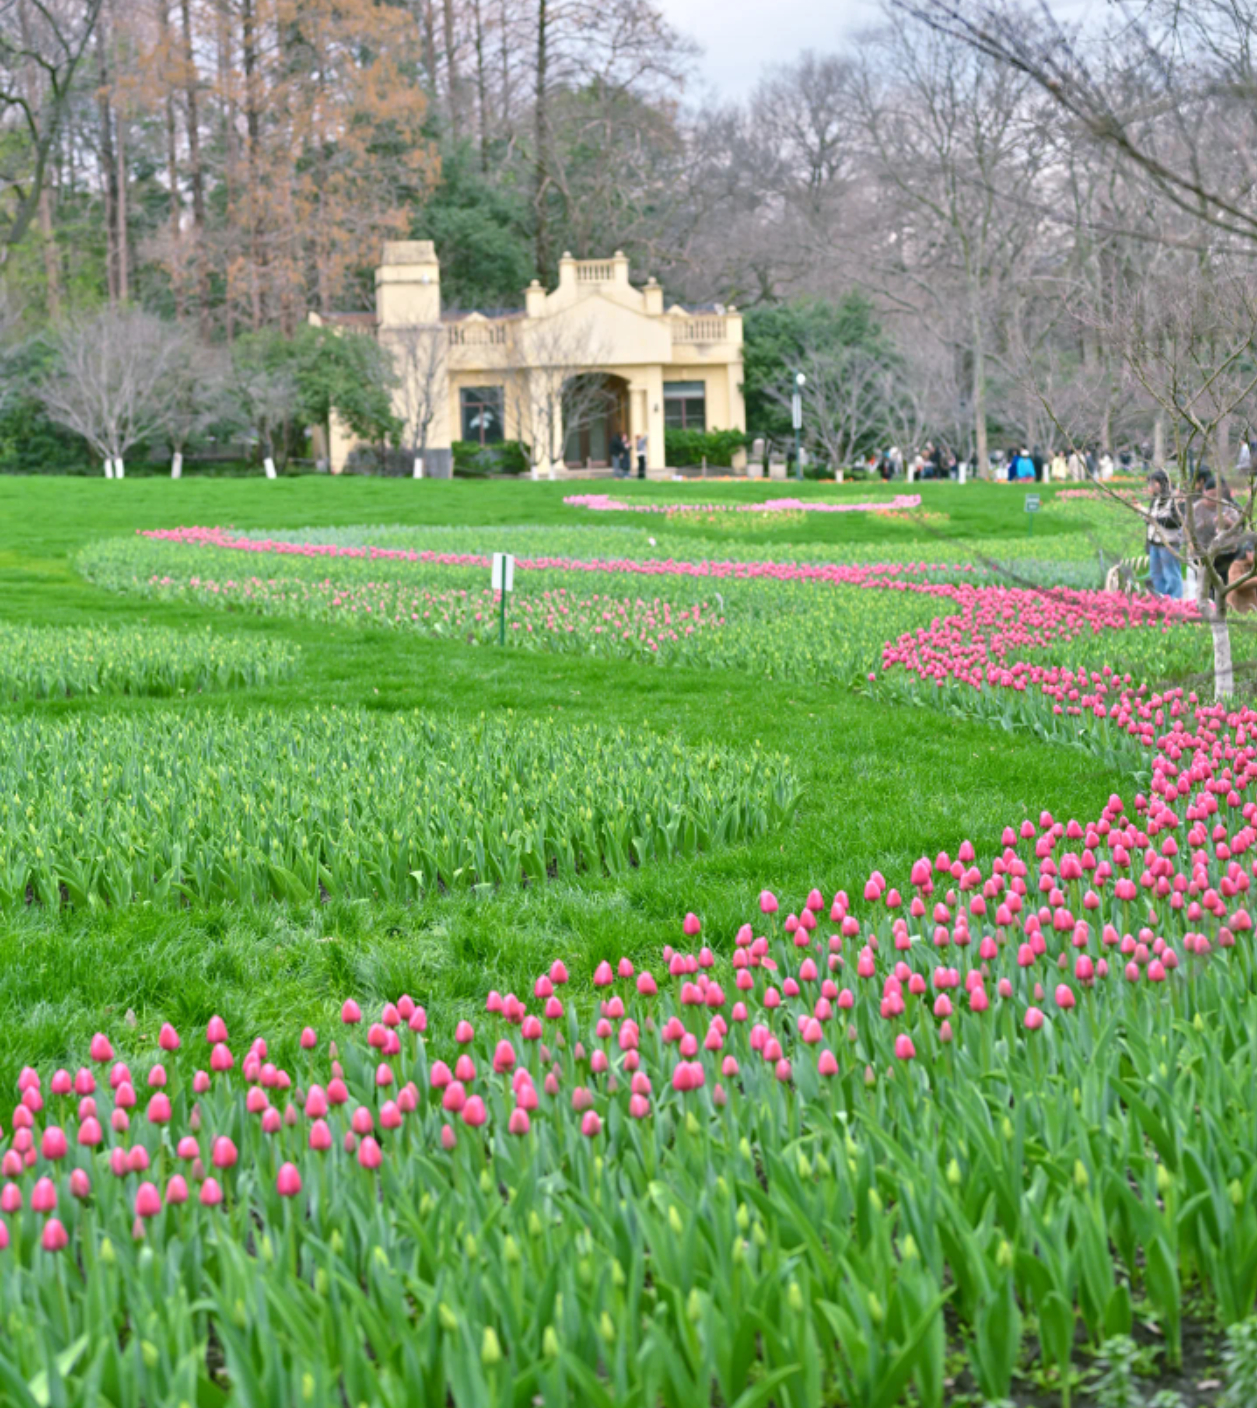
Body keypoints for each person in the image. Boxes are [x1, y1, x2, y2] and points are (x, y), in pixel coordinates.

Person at [1144, 471, 1183, 600]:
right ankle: (1162, 599)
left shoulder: (1174, 499)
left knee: (1171, 573)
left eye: (1153, 483)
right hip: (1155, 542)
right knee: (1155, 574)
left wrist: (1156, 519)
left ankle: (1175, 600)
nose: (1150, 486)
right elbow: (1150, 519)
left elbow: (1177, 522)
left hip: (1168, 542)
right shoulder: (1156, 499)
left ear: (1161, 483)